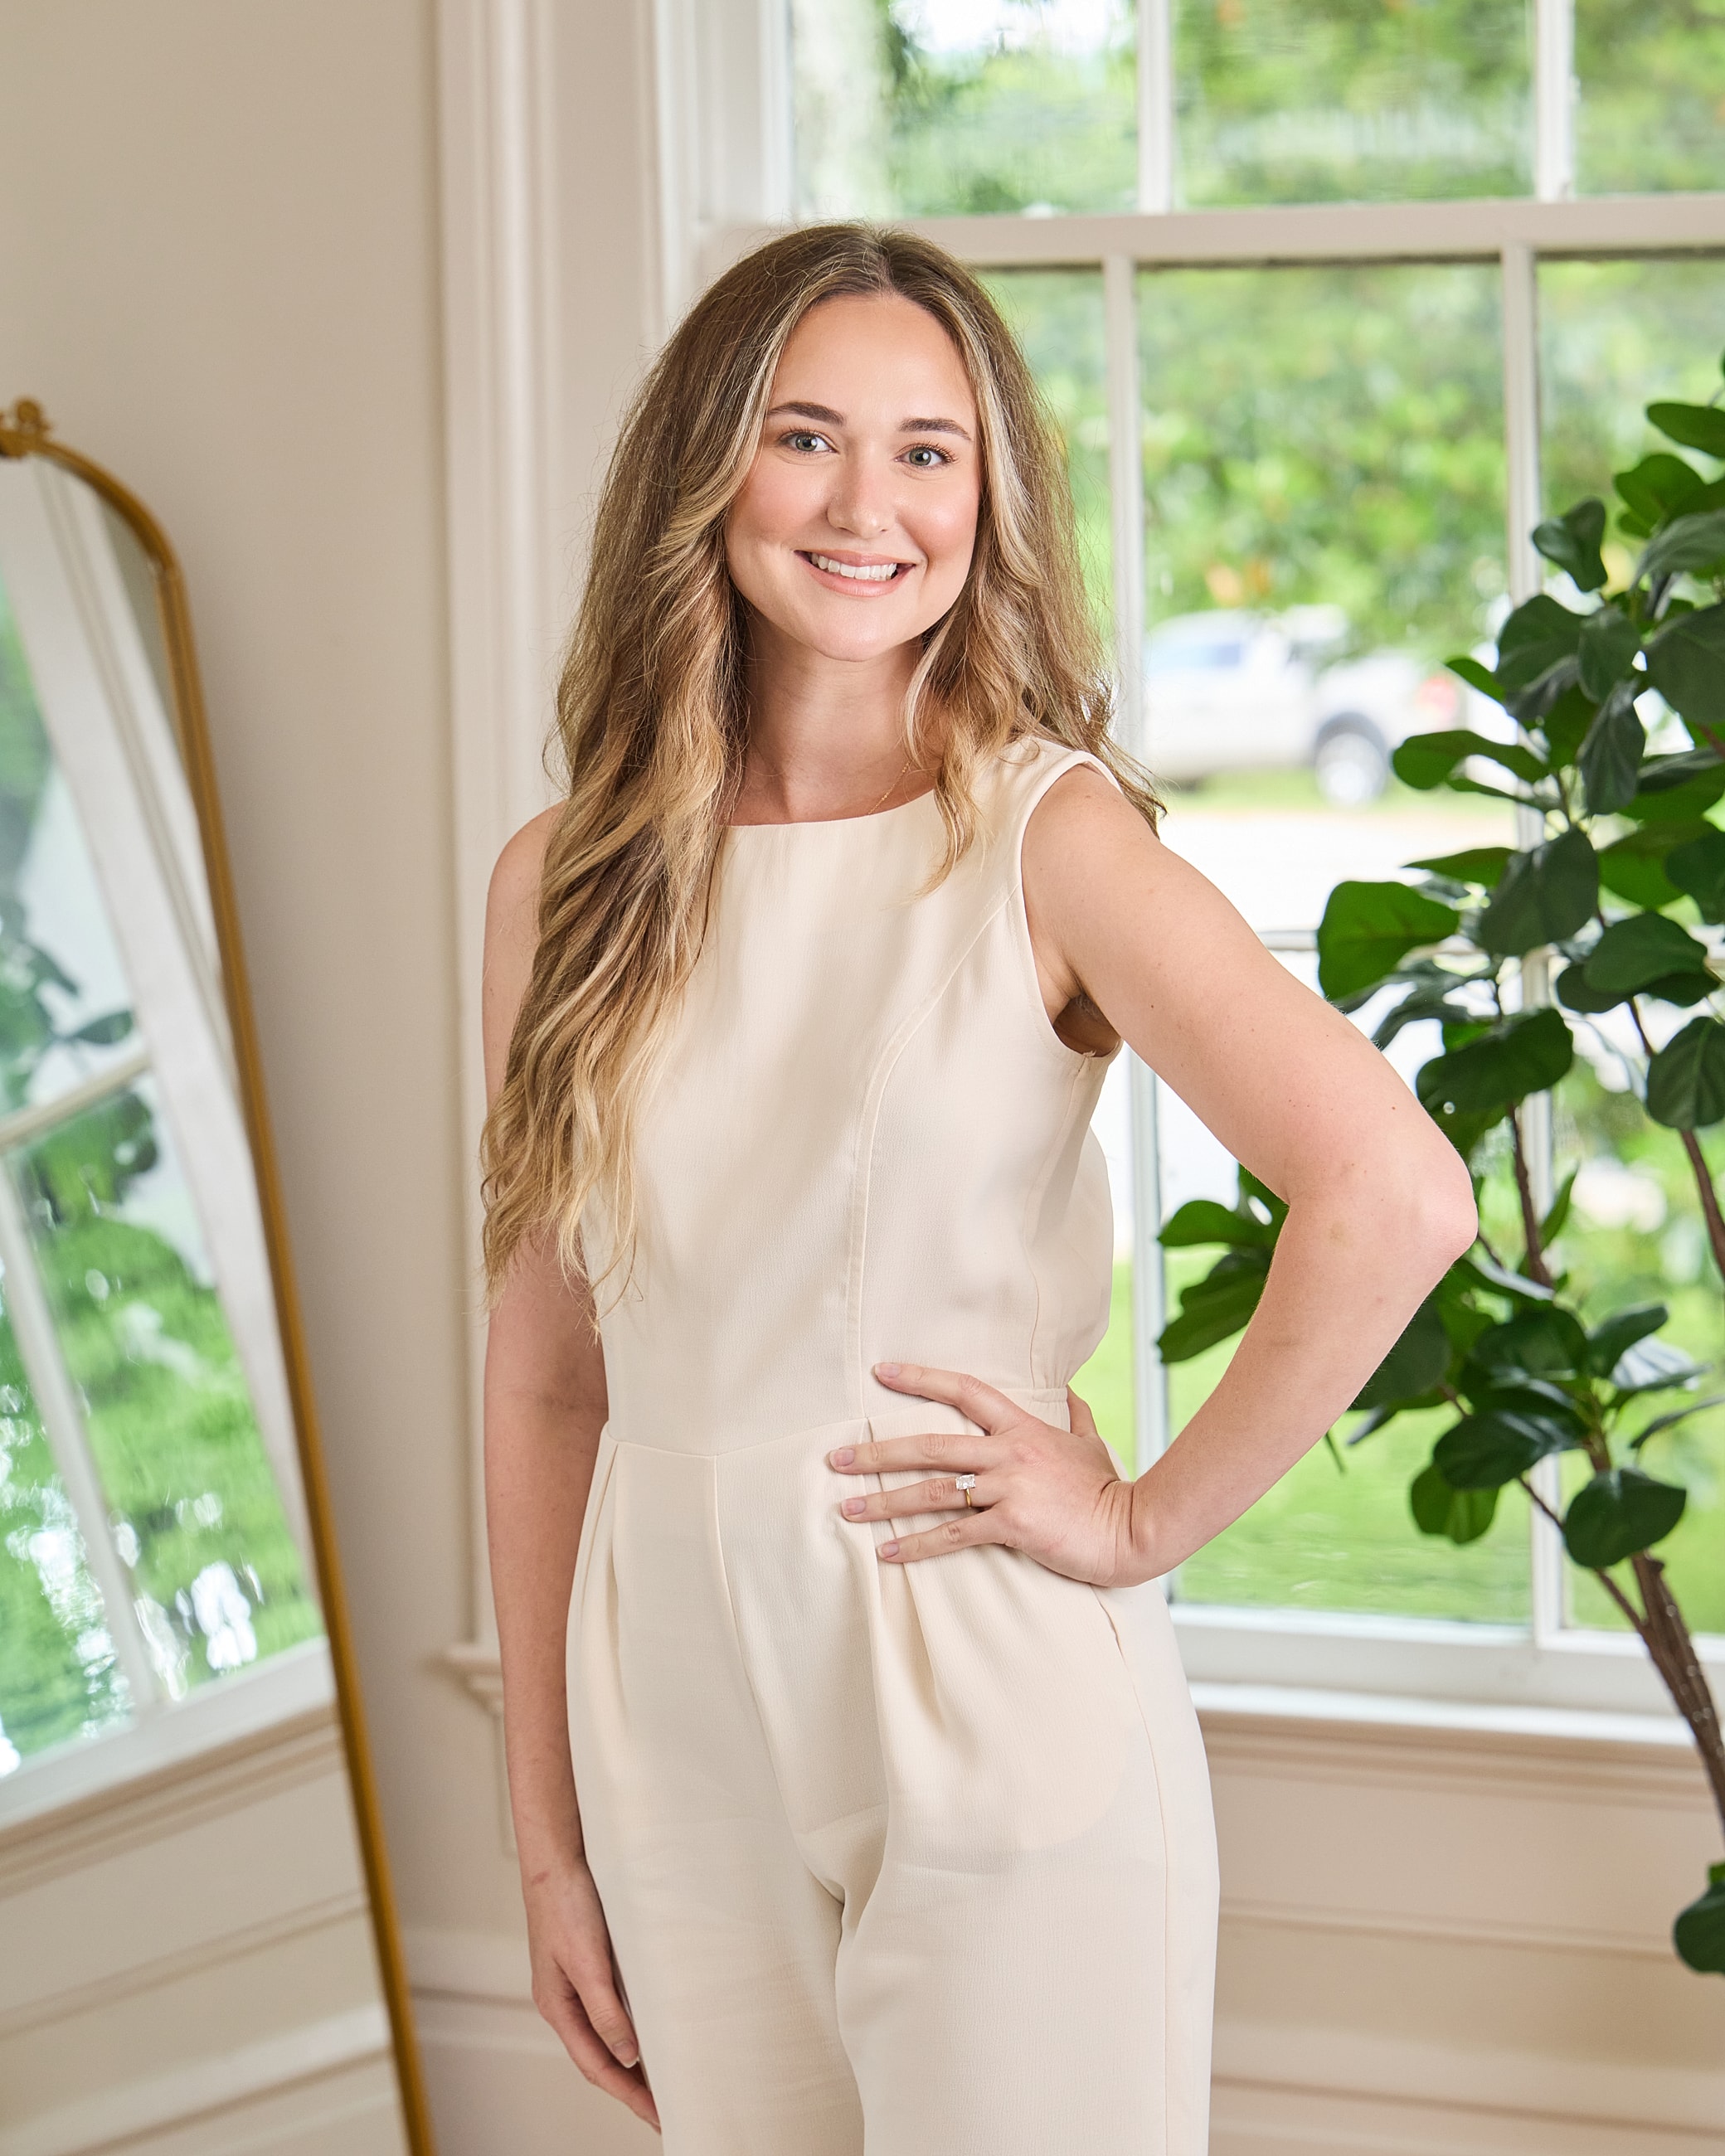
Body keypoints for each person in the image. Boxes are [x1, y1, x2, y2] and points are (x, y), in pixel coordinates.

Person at [479, 223, 1476, 2154]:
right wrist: (544, 1840)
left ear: (988, 496)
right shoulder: (560, 881)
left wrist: (1135, 1519)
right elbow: (546, 1376)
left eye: (930, 450)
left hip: (984, 1687)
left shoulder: (1048, 833)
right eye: (806, 437)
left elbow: (1388, 1189)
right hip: (671, 1718)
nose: (870, 505)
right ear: (707, 466)